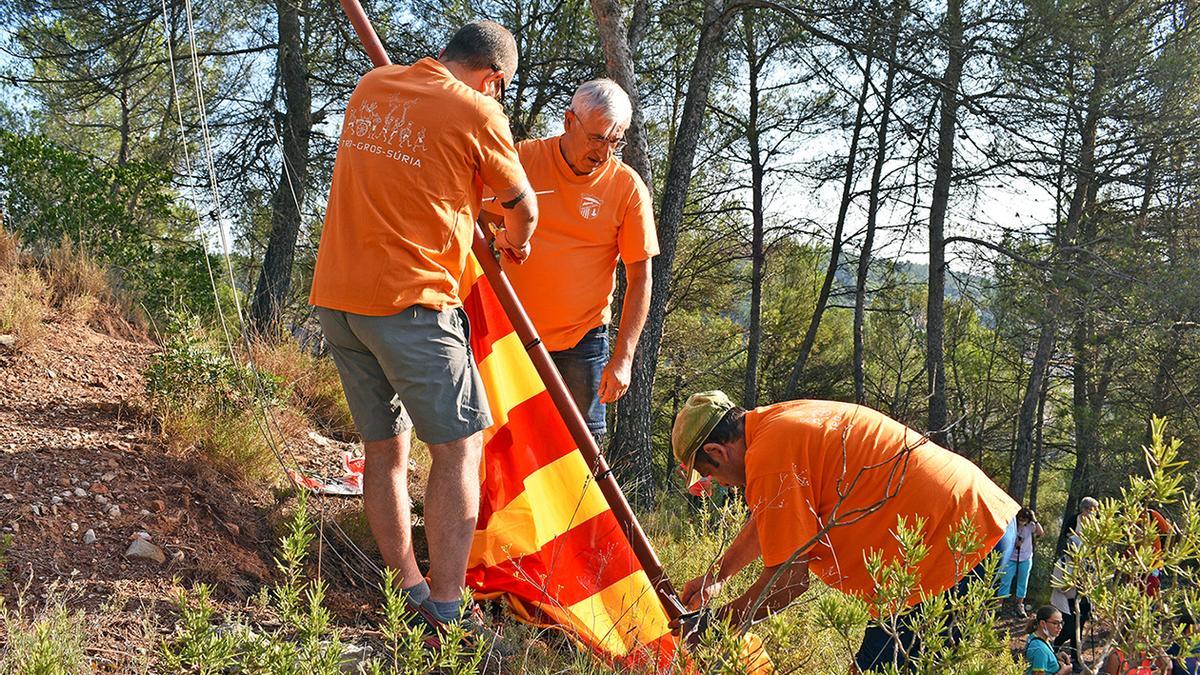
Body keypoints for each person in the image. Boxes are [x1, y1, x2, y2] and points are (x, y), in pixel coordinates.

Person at [309, 21, 538, 626]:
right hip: (412, 305)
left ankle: (406, 586)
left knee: (384, 451)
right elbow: (523, 205)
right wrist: (517, 241)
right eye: (503, 89)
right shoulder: (478, 112)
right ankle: (445, 607)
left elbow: (417, 179)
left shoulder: (374, 85)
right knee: (461, 449)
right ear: (494, 78)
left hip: (338, 299)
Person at [669, 391, 1020, 672]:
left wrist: (714, 625)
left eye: (708, 473)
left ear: (717, 451)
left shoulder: (769, 457)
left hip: (954, 544)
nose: (719, 484)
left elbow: (789, 581)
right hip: (970, 523)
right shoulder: (774, 424)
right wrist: (719, 574)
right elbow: (772, 519)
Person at [483, 78, 657, 439]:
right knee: (503, 438)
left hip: (583, 342)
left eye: (615, 141)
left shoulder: (626, 188)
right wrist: (500, 237)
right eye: (596, 138)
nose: (604, 151)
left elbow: (640, 277)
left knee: (582, 450)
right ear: (568, 121)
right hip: (510, 332)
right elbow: (477, 214)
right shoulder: (523, 160)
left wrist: (623, 359)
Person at [1050, 533, 1089, 674]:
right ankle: (1053, 649)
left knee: (1077, 632)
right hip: (1065, 601)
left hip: (1082, 601)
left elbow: (1092, 582)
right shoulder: (1062, 563)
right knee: (1069, 628)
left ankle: (1076, 658)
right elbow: (1057, 584)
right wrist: (1072, 584)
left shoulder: (1087, 563)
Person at [998, 506, 1044, 617]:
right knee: (1005, 581)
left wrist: (1035, 519)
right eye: (1020, 519)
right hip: (1011, 557)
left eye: (1025, 520)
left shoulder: (1031, 526)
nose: (1022, 521)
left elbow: (1040, 533)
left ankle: (1019, 604)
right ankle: (999, 605)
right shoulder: (1012, 525)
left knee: (1022, 583)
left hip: (1025, 558)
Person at [1026, 605, 1072, 675]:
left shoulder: (1035, 637)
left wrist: (1055, 657)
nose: (1060, 627)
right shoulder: (1040, 649)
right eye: (1055, 623)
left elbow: (1042, 658)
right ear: (1042, 623)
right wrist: (1062, 673)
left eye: (1061, 623)